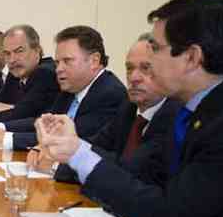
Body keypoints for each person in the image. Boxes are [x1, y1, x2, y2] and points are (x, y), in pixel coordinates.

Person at [35, 0, 223, 217]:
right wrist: (73, 151)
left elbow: (166, 214)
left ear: (192, 58)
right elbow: (144, 176)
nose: (149, 62)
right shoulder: (187, 108)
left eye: (156, 49)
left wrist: (78, 153)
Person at [32, 33, 182, 182]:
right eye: (129, 68)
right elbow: (96, 145)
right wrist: (57, 150)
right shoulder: (129, 107)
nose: (134, 78)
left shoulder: (175, 115)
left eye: (146, 68)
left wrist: (57, 165)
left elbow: (130, 168)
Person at [0, 25, 125, 150]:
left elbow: (71, 142)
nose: (58, 69)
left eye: (67, 61)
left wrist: (6, 137)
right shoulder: (71, 89)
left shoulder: (109, 93)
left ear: (94, 60)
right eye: (58, 62)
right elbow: (43, 124)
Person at [0, 24, 59, 126]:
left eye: (19, 51)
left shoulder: (46, 72)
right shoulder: (16, 74)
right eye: (7, 54)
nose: (12, 60)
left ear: (37, 50)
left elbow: (21, 114)